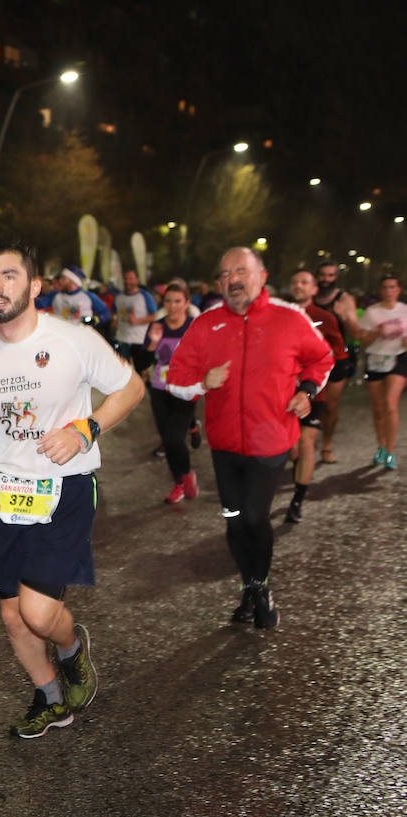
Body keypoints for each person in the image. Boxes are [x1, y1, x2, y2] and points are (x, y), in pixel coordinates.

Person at [0, 240, 144, 738]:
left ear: (34, 286)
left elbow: (131, 387)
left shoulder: (72, 339)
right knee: (13, 616)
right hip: (7, 490)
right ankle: (50, 697)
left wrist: (86, 429)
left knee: (37, 612)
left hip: (67, 487)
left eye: (9, 276)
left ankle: (72, 647)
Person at [165, 248, 333, 629]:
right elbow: (173, 378)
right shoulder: (206, 324)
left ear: (262, 275)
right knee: (233, 520)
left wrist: (306, 390)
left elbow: (321, 359)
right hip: (224, 446)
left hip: (271, 441)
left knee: (255, 516)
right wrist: (200, 383)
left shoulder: (290, 318)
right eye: (225, 274)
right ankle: (250, 587)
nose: (233, 280)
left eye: (241, 270)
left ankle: (260, 586)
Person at [284, 268, 347, 521]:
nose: (299, 286)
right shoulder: (279, 316)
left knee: (306, 442)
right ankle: (295, 476)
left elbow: (338, 352)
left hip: (312, 392)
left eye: (305, 282)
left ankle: (297, 500)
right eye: (295, 282)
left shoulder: (325, 317)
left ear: (313, 289)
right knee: (293, 449)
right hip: (281, 392)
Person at [145, 282, 202, 504]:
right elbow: (142, 361)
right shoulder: (157, 326)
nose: (173, 305)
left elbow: (206, 357)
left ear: (187, 303)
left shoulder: (194, 326)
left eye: (178, 301)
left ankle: (187, 473)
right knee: (168, 441)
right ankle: (178, 483)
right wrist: (152, 344)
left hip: (186, 391)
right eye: (168, 301)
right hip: (160, 389)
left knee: (174, 438)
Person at [312, 261, 361, 463]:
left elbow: (355, 333)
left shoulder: (344, 299)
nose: (326, 279)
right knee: (306, 403)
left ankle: (326, 446)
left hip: (336, 359)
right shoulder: (309, 297)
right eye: (323, 275)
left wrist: (343, 316)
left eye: (331, 275)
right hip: (309, 359)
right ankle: (304, 443)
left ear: (336, 277)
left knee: (330, 406)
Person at [358, 273, 407, 469]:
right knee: (378, 409)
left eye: (392, 287)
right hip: (376, 359)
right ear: (381, 291)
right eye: (385, 287)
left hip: (399, 358)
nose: (388, 291)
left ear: (398, 290)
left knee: (390, 404)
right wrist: (375, 333)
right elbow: (363, 342)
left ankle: (391, 452)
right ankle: (381, 446)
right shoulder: (372, 312)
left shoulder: (405, 311)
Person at [36, 267, 112, 328]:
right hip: (61, 337)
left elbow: (106, 313)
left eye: (63, 278)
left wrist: (94, 320)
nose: (60, 281)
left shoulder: (88, 296)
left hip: (81, 338)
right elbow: (36, 305)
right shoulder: (55, 295)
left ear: (72, 281)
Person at [114, 268, 158, 365]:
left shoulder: (145, 296)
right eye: (126, 279)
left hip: (139, 340)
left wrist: (137, 321)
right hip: (122, 339)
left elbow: (154, 316)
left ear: (137, 280)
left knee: (140, 369)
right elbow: (113, 312)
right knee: (122, 368)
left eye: (131, 279)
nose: (127, 281)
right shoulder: (118, 297)